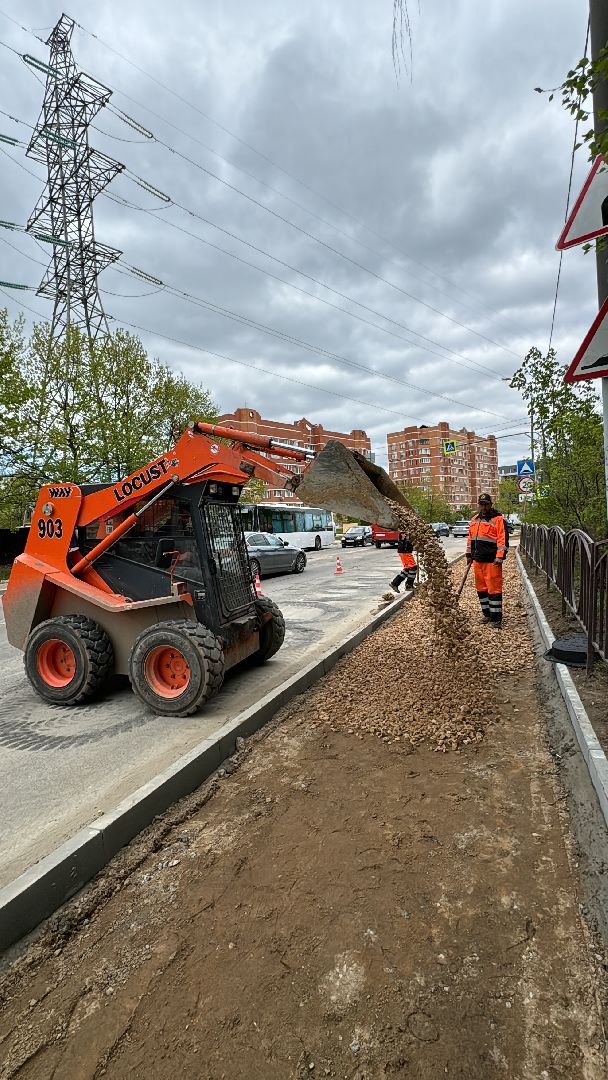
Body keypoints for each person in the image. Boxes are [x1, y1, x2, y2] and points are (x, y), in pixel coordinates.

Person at [466, 494, 508, 627]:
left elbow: (503, 539)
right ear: (479, 505)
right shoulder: (474, 519)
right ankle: (487, 614)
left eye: (486, 504)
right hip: (477, 560)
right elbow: (470, 539)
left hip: (492, 560)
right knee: (481, 589)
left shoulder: (498, 519)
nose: (483, 507)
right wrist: (468, 555)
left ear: (491, 504)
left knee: (494, 589)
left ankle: (496, 619)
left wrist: (500, 556)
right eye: (481, 504)